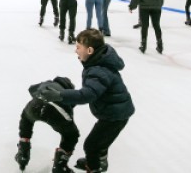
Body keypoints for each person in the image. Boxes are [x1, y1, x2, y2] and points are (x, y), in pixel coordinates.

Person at [36, 29, 134, 173]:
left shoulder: (98, 70)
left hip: (114, 116)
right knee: (98, 142)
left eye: (78, 47)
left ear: (89, 50)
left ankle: (95, 167)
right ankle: (98, 160)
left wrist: (59, 95)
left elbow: (87, 94)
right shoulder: (99, 60)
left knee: (91, 146)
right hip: (113, 111)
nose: (76, 51)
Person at [15, 76, 79, 172]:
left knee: (26, 119)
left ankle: (23, 152)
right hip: (56, 108)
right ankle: (60, 165)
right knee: (71, 134)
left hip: (36, 103)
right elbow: (72, 104)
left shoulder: (48, 83)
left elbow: (31, 88)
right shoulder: (66, 92)